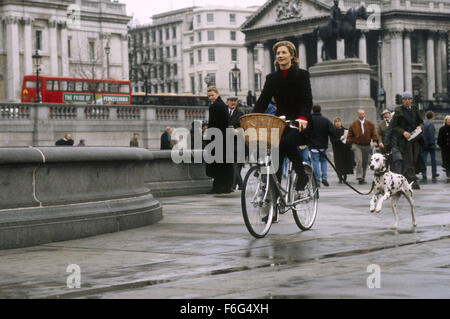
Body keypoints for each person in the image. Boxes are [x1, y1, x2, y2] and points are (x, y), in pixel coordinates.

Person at [253, 40, 313, 191]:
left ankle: (302, 175)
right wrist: (250, 119)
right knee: (275, 156)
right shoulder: (272, 78)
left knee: (285, 143)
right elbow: (262, 102)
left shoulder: (302, 75)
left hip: (299, 123)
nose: (280, 55)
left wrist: (303, 117)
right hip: (280, 123)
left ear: (292, 55)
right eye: (278, 53)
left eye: (284, 52)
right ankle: (274, 196)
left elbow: (307, 100)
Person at [390, 91, 424, 189]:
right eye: (405, 99)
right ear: (402, 101)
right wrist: (403, 132)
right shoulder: (398, 110)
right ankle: (412, 181)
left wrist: (420, 127)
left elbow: (421, 122)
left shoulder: (415, 109)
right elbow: (394, 126)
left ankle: (407, 178)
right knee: (408, 160)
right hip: (405, 140)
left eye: (409, 99)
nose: (407, 101)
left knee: (414, 159)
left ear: (412, 100)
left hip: (415, 138)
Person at [205, 86, 234, 194]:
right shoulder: (223, 105)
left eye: (212, 95)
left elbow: (213, 124)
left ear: (217, 93)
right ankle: (227, 187)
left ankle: (217, 187)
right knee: (225, 164)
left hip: (217, 137)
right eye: (209, 96)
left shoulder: (215, 106)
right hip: (224, 137)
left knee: (217, 164)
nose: (210, 97)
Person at [346, 109, 379, 185]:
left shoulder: (370, 124)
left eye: (363, 114)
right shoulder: (353, 124)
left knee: (365, 162)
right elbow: (349, 135)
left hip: (367, 145)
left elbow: (374, 133)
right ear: (358, 115)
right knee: (359, 161)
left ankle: (362, 178)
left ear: (365, 114)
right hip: (357, 145)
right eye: (360, 114)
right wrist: (350, 143)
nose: (361, 115)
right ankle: (359, 176)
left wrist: (374, 141)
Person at [309, 104, 335, 187]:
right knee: (323, 162)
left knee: (315, 162)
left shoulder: (310, 120)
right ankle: (324, 177)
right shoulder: (325, 120)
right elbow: (332, 130)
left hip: (313, 145)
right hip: (323, 145)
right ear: (320, 110)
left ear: (313, 110)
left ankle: (317, 180)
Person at [227, 97, 245, 190]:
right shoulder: (224, 112)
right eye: (231, 101)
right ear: (227, 102)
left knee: (236, 165)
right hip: (227, 142)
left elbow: (244, 128)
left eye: (235, 101)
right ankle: (240, 185)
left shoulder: (240, 113)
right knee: (234, 165)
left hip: (238, 142)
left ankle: (234, 185)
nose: (233, 103)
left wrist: (237, 131)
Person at [331, 117, 353, 184]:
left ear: (341, 122)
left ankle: (345, 175)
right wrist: (340, 139)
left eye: (339, 121)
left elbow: (350, 139)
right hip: (337, 150)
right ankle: (340, 177)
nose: (338, 123)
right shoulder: (333, 131)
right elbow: (333, 141)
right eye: (336, 122)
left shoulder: (345, 130)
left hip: (345, 149)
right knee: (338, 164)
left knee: (345, 162)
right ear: (334, 123)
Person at [422, 111, 439, 182]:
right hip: (431, 145)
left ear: (426, 116)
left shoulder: (423, 124)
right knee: (433, 160)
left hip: (424, 145)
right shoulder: (431, 124)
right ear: (432, 117)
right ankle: (434, 173)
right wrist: (432, 144)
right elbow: (431, 135)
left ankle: (424, 174)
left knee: (424, 160)